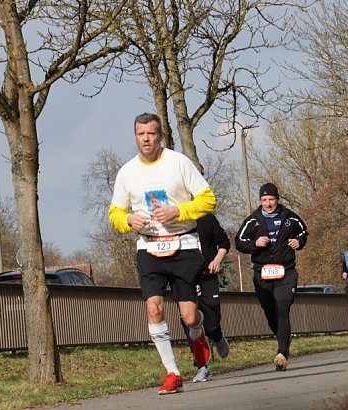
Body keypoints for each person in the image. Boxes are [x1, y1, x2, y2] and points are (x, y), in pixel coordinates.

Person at [108, 112, 217, 395]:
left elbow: (208, 199)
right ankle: (173, 373)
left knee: (190, 317)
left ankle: (199, 336)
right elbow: (115, 213)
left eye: (152, 134)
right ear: (135, 137)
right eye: (141, 134)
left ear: (160, 136)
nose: (146, 139)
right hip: (149, 246)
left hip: (183, 244)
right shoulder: (127, 172)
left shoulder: (178, 163)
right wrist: (128, 220)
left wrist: (178, 210)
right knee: (153, 307)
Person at [235, 182, 308, 371]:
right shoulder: (253, 220)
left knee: (282, 308)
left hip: (286, 272)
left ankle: (282, 353)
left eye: (271, 199)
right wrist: (255, 243)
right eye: (264, 200)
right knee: (270, 312)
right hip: (262, 274)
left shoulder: (290, 218)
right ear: (260, 201)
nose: (268, 203)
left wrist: (298, 241)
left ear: (277, 199)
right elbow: (239, 242)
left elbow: (303, 232)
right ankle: (283, 338)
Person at [185, 213, 231, 383]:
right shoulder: (173, 223)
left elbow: (224, 243)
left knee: (211, 323)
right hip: (185, 279)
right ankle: (202, 367)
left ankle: (217, 336)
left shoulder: (206, 219)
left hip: (208, 276)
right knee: (189, 321)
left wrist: (217, 259)